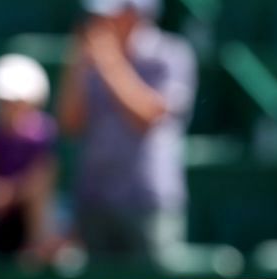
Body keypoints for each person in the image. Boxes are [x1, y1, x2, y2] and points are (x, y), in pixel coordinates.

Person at [57, 0, 194, 264]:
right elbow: (70, 124)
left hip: (147, 202)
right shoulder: (92, 57)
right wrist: (77, 66)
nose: (99, 23)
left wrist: (110, 62)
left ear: (135, 14)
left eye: (111, 15)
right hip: (95, 200)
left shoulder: (172, 53)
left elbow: (147, 117)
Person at [0, 53, 60, 262]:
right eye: (4, 102)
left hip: (34, 222)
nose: (10, 109)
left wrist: (10, 193)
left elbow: (42, 178)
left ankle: (35, 247)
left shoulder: (42, 135)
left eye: (17, 103)